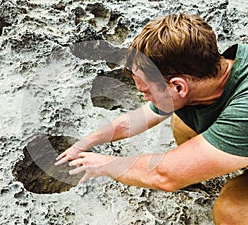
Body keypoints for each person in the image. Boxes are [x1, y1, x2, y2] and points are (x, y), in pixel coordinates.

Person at [55, 13, 248, 224]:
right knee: (183, 121)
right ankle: (204, 166)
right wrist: (88, 141)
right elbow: (140, 118)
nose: (145, 97)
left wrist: (104, 165)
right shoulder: (213, 72)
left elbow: (165, 175)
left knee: (231, 211)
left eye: (147, 91)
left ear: (178, 86)